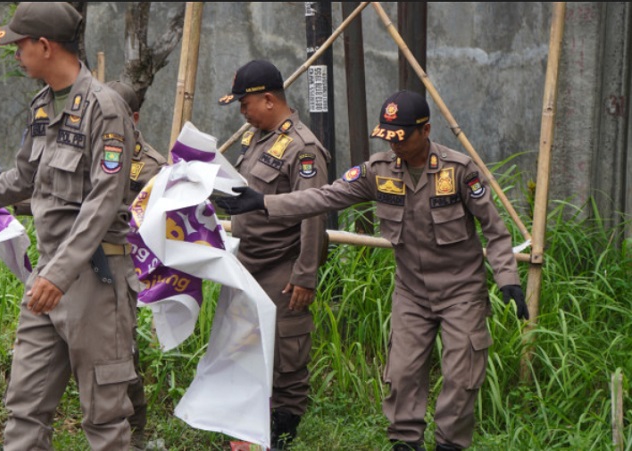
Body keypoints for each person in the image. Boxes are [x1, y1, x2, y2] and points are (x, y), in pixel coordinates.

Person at [216, 90, 530, 451]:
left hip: (461, 293)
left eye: (403, 138)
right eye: (389, 138)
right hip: (411, 293)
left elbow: (495, 230)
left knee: (461, 378)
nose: (395, 147)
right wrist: (264, 202)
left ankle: (449, 445)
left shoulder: (458, 171)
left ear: (425, 130)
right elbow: (324, 196)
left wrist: (508, 280)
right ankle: (406, 443)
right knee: (403, 375)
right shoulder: (377, 171)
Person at [0, 3, 139, 450]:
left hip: (92, 280)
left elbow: (103, 201)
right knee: (25, 408)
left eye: (20, 44)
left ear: (44, 45)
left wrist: (58, 276)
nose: (16, 53)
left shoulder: (105, 109)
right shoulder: (42, 106)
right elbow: (21, 179)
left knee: (104, 418)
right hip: (46, 280)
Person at [217, 59, 331, 450]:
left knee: (287, 359)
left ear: (268, 99)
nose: (242, 112)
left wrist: (304, 275)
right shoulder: (257, 139)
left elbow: (313, 213)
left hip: (283, 268)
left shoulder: (303, 148)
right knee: (245, 350)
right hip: (249, 263)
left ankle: (281, 438)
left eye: (244, 104)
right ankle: (250, 433)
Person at [106, 79, 167, 451]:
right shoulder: (90, 155)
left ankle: (136, 432)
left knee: (122, 353)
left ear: (134, 118)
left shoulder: (151, 167)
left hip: (126, 268)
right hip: (81, 265)